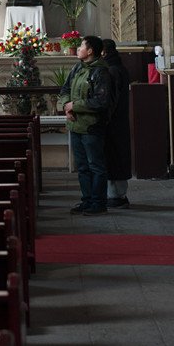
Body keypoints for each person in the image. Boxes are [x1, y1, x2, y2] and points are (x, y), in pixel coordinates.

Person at [57, 35, 113, 216]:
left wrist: (76, 106)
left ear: (90, 51)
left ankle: (98, 203)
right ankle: (87, 200)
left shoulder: (101, 72)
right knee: (82, 167)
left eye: (81, 46)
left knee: (95, 166)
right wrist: (67, 107)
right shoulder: (77, 68)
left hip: (92, 127)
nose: (78, 48)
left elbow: (101, 101)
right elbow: (65, 90)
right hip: (76, 126)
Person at [102, 39, 132, 208]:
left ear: (103, 53)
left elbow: (110, 99)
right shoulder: (119, 67)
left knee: (114, 156)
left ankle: (115, 195)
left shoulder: (111, 70)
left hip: (113, 122)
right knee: (118, 156)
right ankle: (117, 194)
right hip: (119, 121)